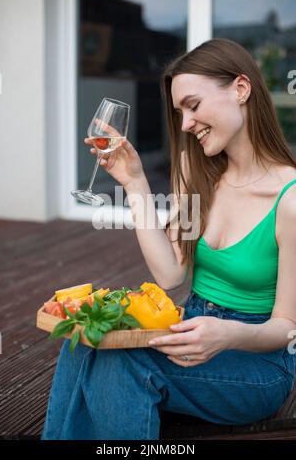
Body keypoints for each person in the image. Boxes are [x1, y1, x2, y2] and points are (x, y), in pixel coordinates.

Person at [41, 38, 296, 440]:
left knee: (123, 363)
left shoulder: (290, 200)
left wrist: (227, 333)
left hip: (257, 361)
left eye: (193, 106)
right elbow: (170, 274)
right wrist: (135, 183)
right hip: (189, 326)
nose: (184, 125)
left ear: (241, 90)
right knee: (84, 339)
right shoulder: (198, 171)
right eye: (179, 112)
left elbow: (286, 328)